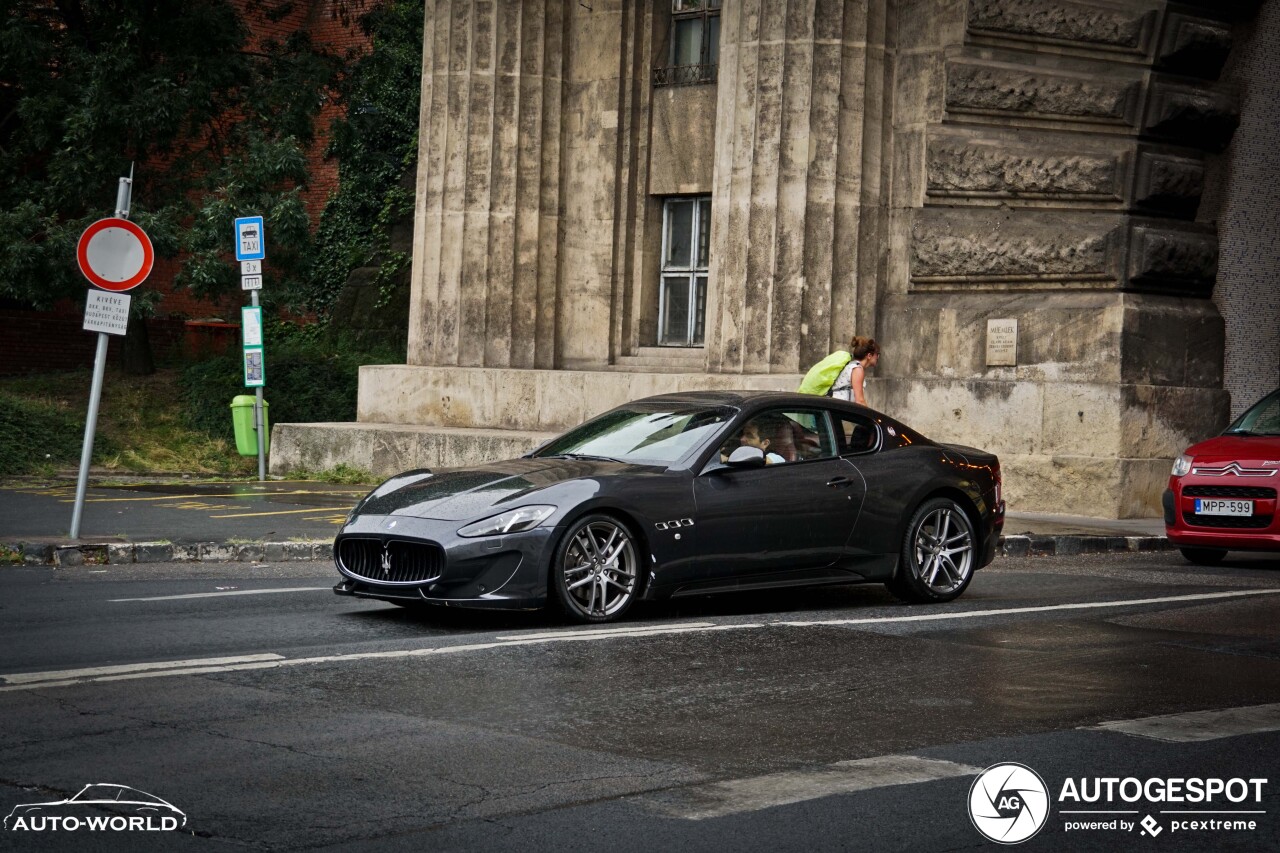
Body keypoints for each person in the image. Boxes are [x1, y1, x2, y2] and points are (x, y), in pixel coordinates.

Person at [830, 336, 879, 406]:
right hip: (839, 410)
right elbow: (860, 401)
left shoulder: (852, 366)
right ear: (869, 356)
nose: (877, 357)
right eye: (877, 354)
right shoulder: (857, 369)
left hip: (837, 408)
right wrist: (872, 416)